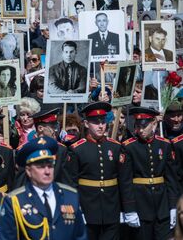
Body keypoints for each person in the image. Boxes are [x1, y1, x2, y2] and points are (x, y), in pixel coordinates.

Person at [0, 136, 87, 240]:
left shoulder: (70, 195)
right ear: (28, 171)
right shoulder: (14, 201)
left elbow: (80, 236)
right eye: (40, 167)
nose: (47, 171)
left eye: (50, 165)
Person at [67, 102, 133, 240]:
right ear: (86, 124)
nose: (101, 126)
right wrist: (75, 209)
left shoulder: (115, 147)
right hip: (88, 209)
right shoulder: (77, 149)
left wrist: (128, 208)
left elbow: (124, 181)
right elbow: (71, 183)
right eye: (95, 122)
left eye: (103, 121)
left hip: (112, 208)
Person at [122, 107, 178, 239]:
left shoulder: (165, 145)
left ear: (154, 123)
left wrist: (173, 206)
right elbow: (126, 181)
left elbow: (171, 178)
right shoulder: (129, 146)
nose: (140, 130)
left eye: (144, 125)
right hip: (141, 205)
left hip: (162, 205)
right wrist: (130, 209)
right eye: (137, 126)